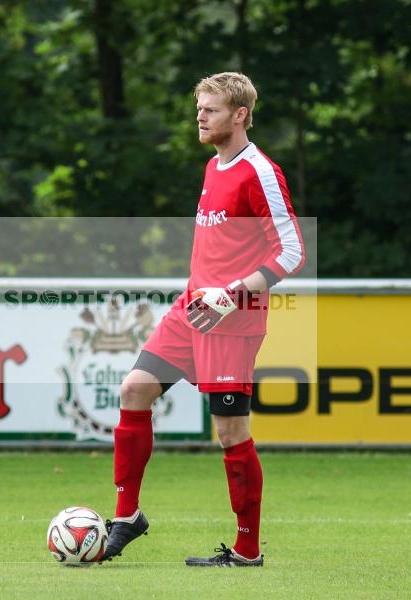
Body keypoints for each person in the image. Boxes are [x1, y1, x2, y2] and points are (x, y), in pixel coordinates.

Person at [102, 72, 304, 567]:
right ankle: (127, 517)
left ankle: (248, 551)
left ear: (239, 115)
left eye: (210, 109)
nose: (200, 116)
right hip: (192, 310)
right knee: (134, 389)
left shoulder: (260, 172)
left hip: (232, 320)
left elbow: (293, 250)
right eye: (199, 108)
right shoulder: (215, 167)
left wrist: (231, 296)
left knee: (231, 434)